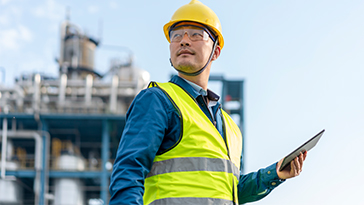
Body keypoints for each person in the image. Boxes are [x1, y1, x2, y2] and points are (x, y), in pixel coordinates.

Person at [109, 0, 307, 204]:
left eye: (196, 34)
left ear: (216, 51)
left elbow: (231, 191)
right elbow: (128, 172)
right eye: (176, 35)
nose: (184, 41)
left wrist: (275, 174)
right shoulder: (158, 100)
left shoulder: (231, 128)